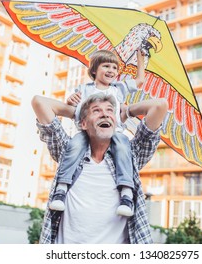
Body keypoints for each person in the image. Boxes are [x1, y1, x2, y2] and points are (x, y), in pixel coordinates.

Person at [32, 93, 167, 243]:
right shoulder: (68, 152)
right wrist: (75, 112)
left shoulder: (130, 156)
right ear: (83, 124)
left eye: (110, 111)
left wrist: (127, 111)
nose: (105, 114)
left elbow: (160, 106)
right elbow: (39, 102)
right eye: (96, 111)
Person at [46, 49, 146, 217]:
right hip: (87, 131)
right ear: (94, 70)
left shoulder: (118, 88)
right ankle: (61, 190)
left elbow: (140, 80)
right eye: (106, 66)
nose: (111, 71)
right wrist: (70, 101)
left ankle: (127, 193)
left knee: (123, 148)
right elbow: (74, 107)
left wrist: (140, 58)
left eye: (115, 68)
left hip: (113, 131)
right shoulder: (84, 89)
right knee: (74, 146)